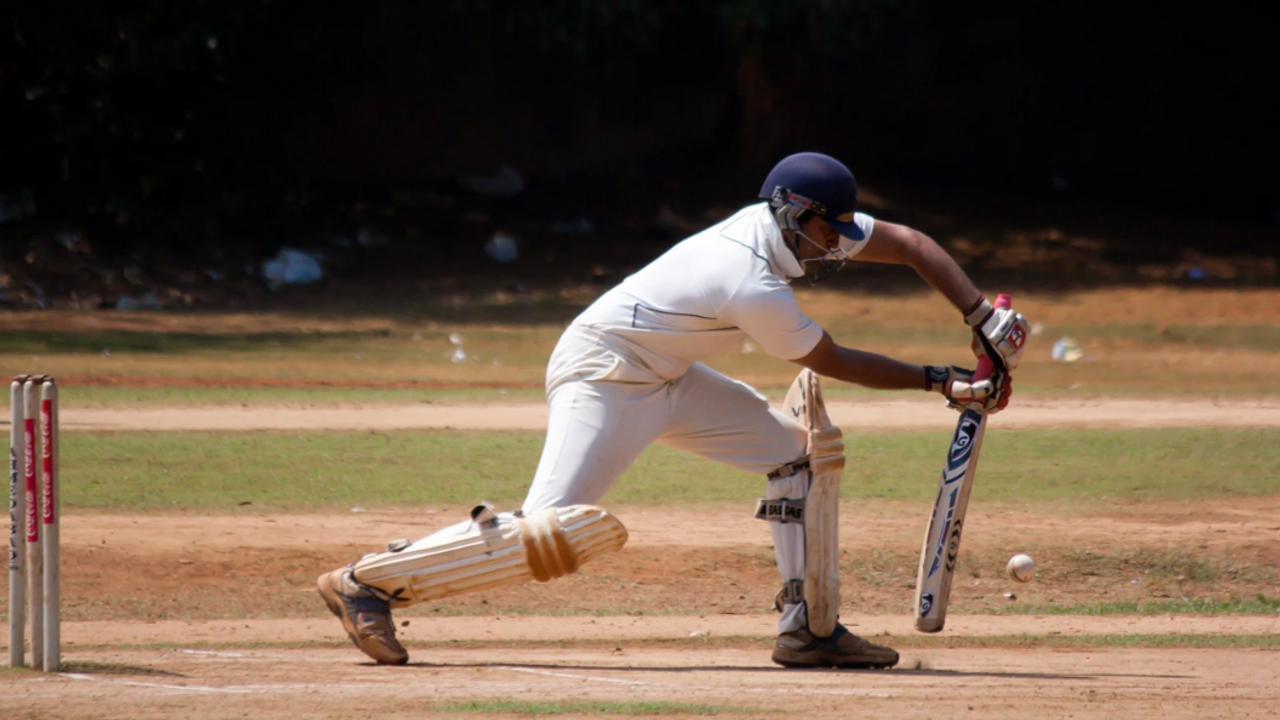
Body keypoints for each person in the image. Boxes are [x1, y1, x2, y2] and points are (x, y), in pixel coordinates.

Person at [317, 152, 1029, 669]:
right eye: (826, 229)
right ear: (792, 213)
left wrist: (977, 315)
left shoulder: (803, 223)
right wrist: (944, 381)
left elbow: (910, 244)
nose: (836, 243)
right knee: (548, 534)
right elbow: (832, 360)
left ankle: (807, 628)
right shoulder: (747, 278)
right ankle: (367, 582)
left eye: (843, 228)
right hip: (603, 372)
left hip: (669, 375)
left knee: (800, 454)